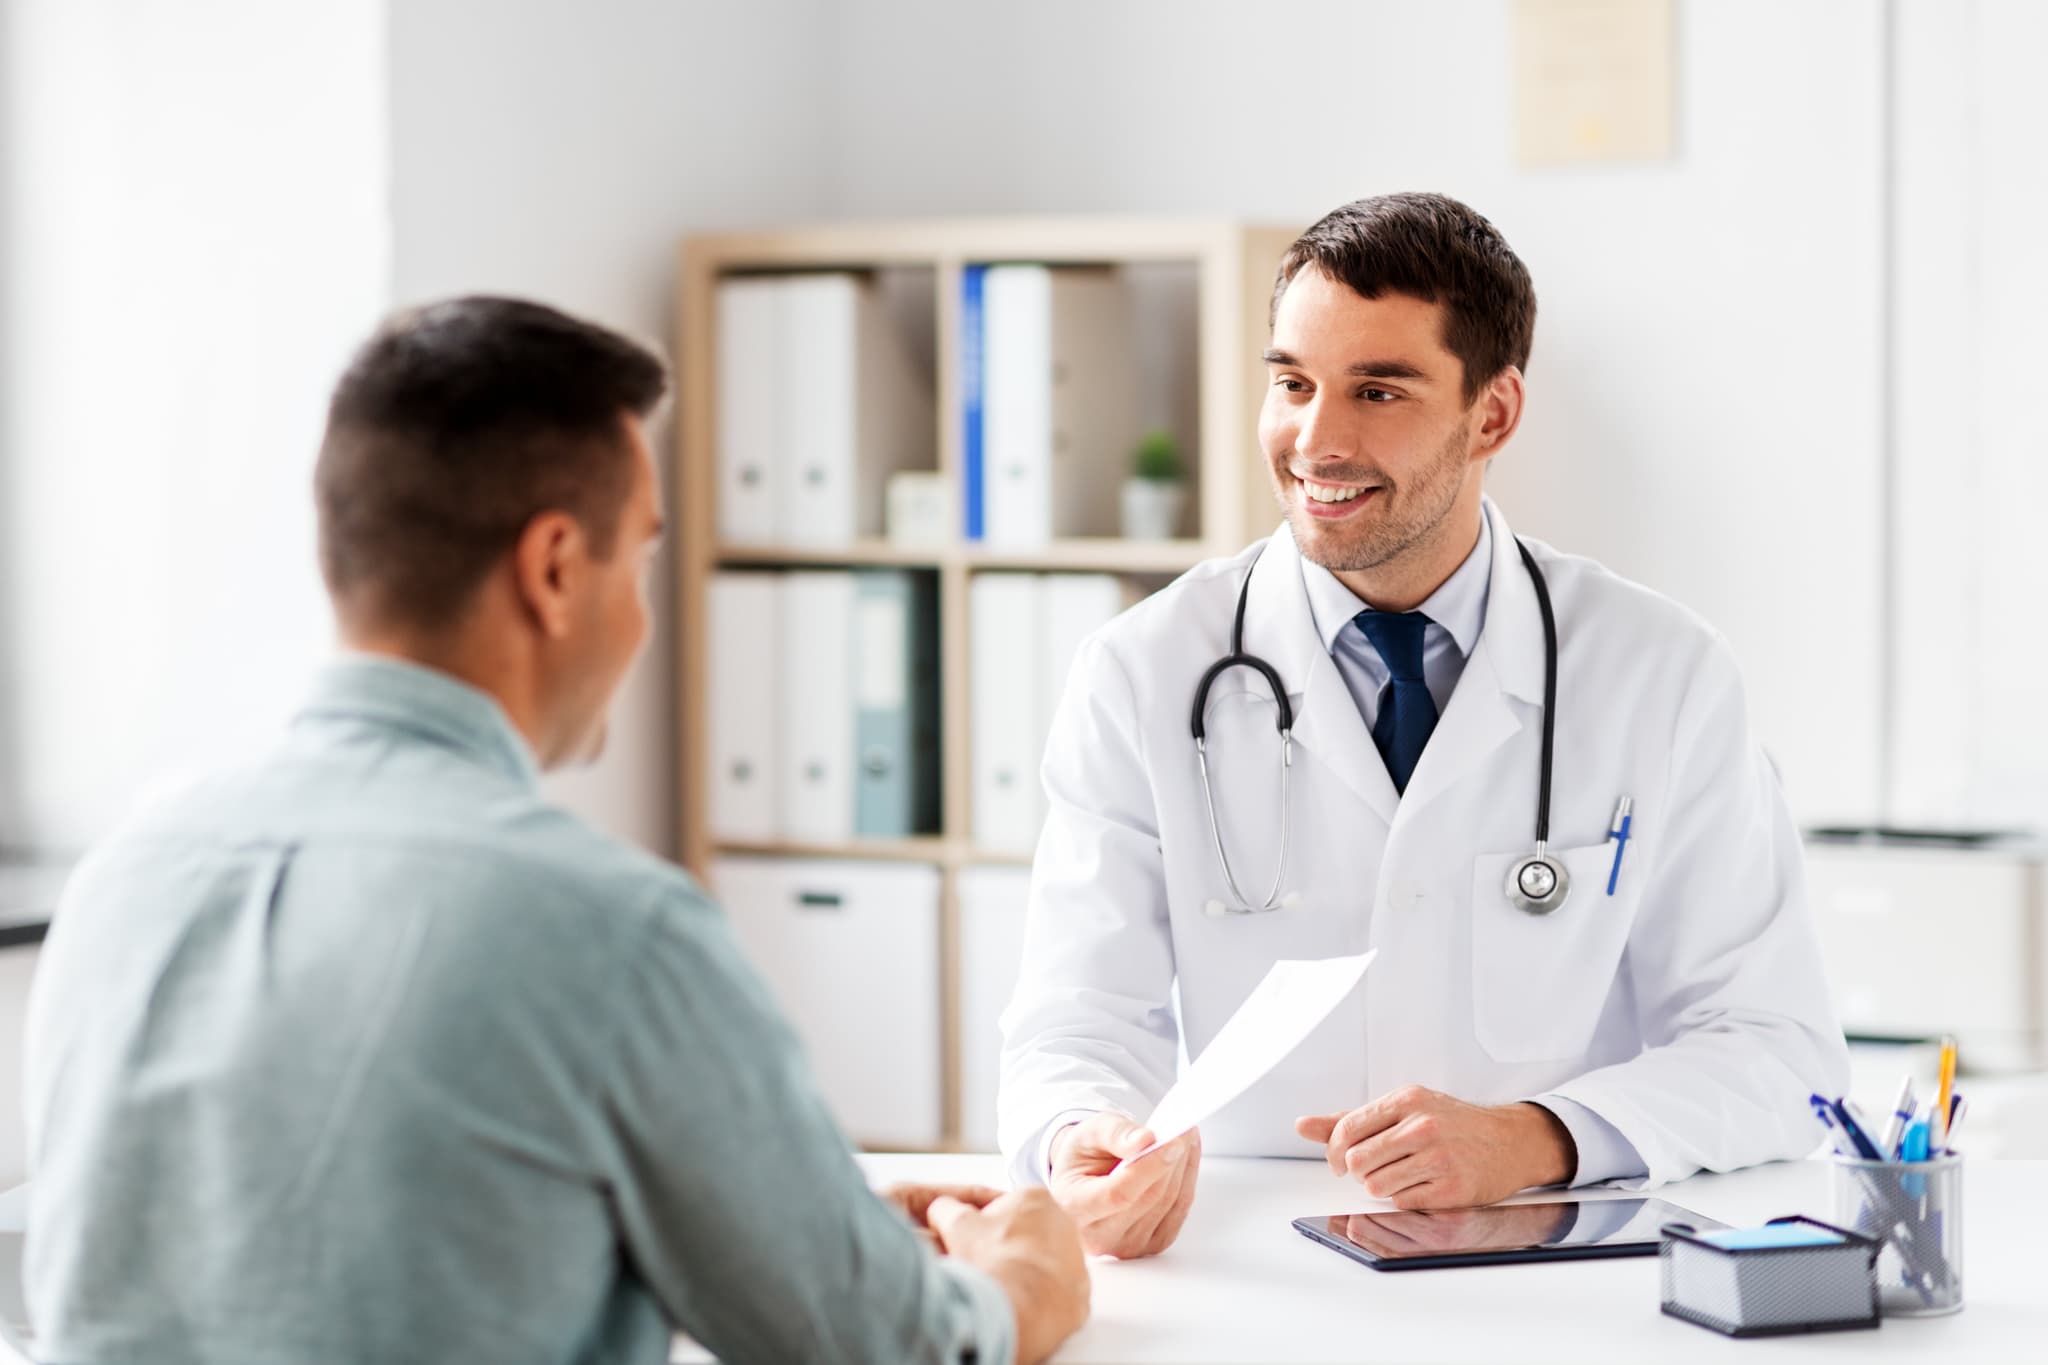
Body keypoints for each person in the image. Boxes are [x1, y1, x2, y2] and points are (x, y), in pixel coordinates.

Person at [24, 298, 1088, 1364]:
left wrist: (801, 1226)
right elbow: (893, 1350)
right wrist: (1023, 1278)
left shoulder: (127, 878)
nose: (640, 616)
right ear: (554, 569)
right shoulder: (609, 931)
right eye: (638, 561)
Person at [997, 192, 1849, 1259]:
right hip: (1249, 1261)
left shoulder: (1658, 674)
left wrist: (1539, 1138)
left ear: (1490, 415)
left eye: (1377, 391)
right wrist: (1082, 1135)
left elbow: (1774, 1047)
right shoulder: (1142, 671)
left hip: (1550, 1267)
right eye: (1291, 384)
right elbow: (1073, 1021)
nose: (1315, 440)